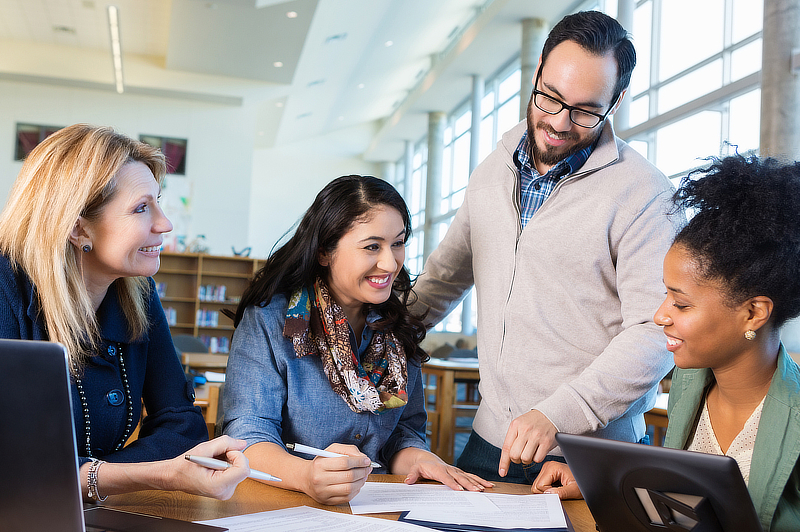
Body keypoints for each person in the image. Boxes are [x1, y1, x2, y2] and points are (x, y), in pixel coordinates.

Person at [411, 10, 681, 485]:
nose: (559, 122)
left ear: (615, 102)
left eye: (585, 110)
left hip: (587, 454)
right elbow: (443, 278)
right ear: (538, 68)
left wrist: (562, 413)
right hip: (488, 443)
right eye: (551, 97)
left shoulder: (645, 195)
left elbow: (655, 331)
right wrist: (365, 329)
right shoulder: (493, 169)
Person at [533, 154, 800, 532]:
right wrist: (607, 482)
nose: (660, 316)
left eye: (681, 303)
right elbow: (699, 498)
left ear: (754, 312)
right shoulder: (692, 383)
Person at [0, 124, 249, 501]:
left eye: (158, 203)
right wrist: (150, 473)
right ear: (78, 227)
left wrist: (101, 476)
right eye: (142, 208)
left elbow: (182, 424)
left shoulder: (136, 290)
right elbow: (13, 465)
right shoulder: (7, 290)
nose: (165, 224)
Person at [220, 175, 493, 505]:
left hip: (375, 507)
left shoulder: (397, 327)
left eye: (398, 243)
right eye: (372, 246)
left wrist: (421, 459)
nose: (390, 263)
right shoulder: (271, 320)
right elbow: (248, 434)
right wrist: (305, 476)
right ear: (324, 251)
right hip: (284, 503)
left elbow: (403, 434)